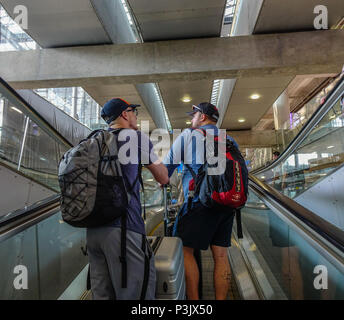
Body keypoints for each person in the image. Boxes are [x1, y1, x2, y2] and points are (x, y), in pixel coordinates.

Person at [86, 98, 169, 300]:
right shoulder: (135, 138)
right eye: (134, 112)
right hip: (124, 231)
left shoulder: (93, 140)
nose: (136, 117)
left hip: (93, 232)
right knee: (135, 294)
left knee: (103, 295)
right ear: (125, 113)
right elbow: (163, 176)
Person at [163, 102, 239, 300]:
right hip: (226, 205)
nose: (191, 119)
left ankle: (195, 303)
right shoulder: (228, 139)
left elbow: (166, 171)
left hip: (199, 202)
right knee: (221, 256)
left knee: (184, 249)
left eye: (194, 115)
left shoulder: (188, 136)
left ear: (202, 117)